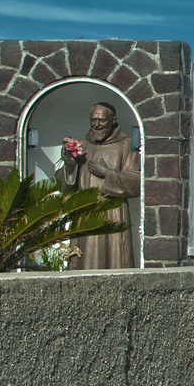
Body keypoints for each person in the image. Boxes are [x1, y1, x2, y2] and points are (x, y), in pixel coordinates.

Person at [63, 102, 141, 269]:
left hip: (112, 212)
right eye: (93, 120)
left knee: (114, 258)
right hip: (85, 212)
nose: (97, 125)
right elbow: (63, 187)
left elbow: (137, 182)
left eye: (102, 120)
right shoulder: (81, 145)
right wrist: (70, 166)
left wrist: (107, 173)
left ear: (114, 120)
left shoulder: (126, 145)